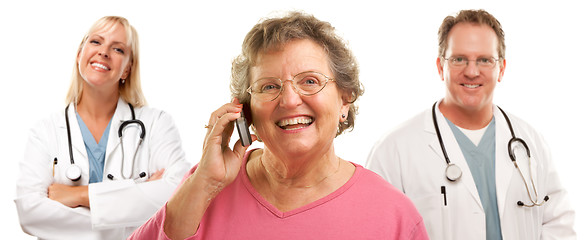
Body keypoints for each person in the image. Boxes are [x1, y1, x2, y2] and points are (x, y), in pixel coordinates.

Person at [129, 11, 428, 240]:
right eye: (269, 86)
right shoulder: (205, 185)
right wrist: (204, 184)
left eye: (310, 81)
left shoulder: (394, 216)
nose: (289, 99)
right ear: (245, 111)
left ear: (344, 101)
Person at [366, 9, 575, 240]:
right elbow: (377, 230)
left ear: (501, 69)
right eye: (459, 59)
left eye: (484, 60)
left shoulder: (531, 142)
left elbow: (559, 225)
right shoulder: (394, 150)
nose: (472, 72)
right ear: (440, 67)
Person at [14, 16, 191, 239]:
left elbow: (180, 192)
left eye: (118, 49)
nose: (104, 52)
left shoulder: (156, 123)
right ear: (80, 54)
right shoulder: (45, 131)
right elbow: (30, 213)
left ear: (127, 69)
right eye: (96, 42)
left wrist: (79, 195)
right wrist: (134, 206)